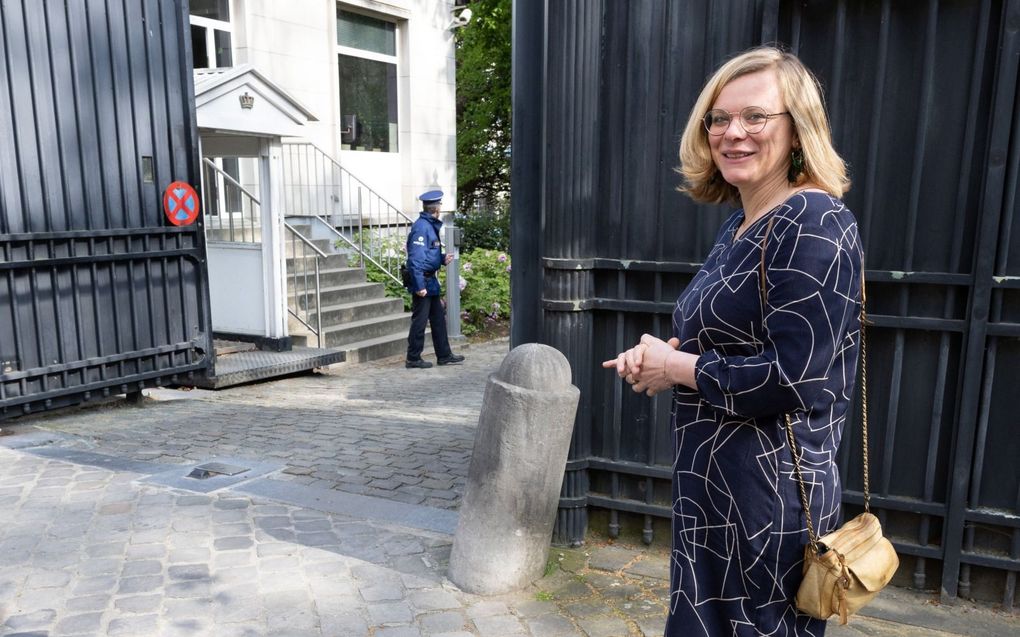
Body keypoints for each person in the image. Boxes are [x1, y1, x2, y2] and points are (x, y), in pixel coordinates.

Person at [603, 47, 863, 635]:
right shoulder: (743, 222)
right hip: (715, 491)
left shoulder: (813, 221)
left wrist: (677, 367)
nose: (731, 133)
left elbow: (793, 377)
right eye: (718, 119)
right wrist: (657, 359)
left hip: (768, 501)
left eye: (755, 117)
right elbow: (723, 341)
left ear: (798, 129)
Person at [404, 190, 465, 369]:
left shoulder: (429, 225)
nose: (440, 208)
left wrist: (441, 258)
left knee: (438, 320)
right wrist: (419, 285)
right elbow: (415, 259)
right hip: (423, 281)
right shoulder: (422, 227)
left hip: (430, 281)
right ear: (436, 209)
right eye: (440, 206)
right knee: (420, 322)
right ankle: (413, 358)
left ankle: (444, 355)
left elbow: (428, 255)